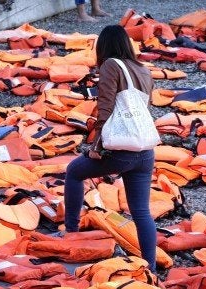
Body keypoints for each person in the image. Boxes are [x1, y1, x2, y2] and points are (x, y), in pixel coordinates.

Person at [63, 25, 158, 270]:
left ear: (103, 47)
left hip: (120, 149)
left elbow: (105, 108)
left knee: (74, 171)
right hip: (145, 150)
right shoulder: (143, 69)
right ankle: (151, 267)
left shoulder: (111, 66)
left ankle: (70, 232)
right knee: (141, 211)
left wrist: (96, 146)